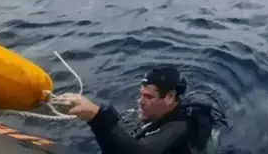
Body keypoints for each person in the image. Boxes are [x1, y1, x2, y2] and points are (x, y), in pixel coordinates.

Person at [51, 66, 214, 154]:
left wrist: (97, 116)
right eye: (140, 95)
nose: (140, 102)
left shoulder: (178, 128)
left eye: (149, 97)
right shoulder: (151, 116)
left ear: (170, 98)